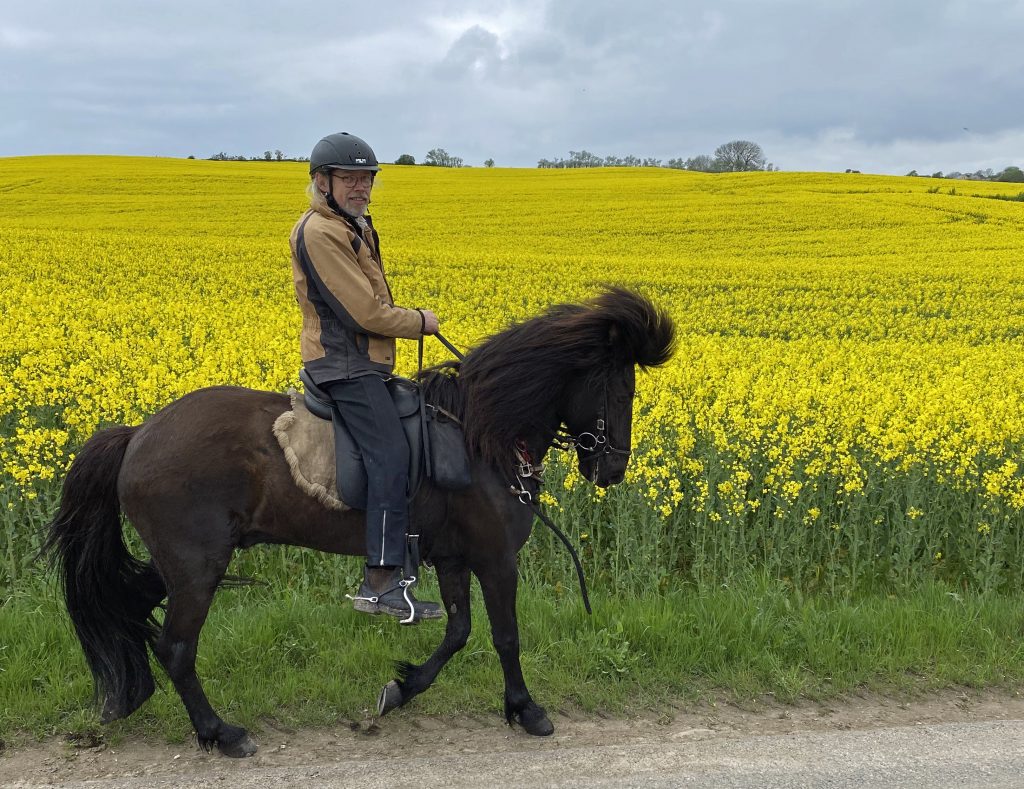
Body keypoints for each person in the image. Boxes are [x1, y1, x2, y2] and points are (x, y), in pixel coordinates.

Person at [289, 131, 442, 622]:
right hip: (343, 364)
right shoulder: (321, 231)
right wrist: (420, 321)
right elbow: (364, 313)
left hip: (363, 364)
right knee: (390, 452)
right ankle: (379, 584)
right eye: (349, 178)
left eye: (366, 179)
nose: (361, 187)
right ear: (322, 181)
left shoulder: (350, 224)